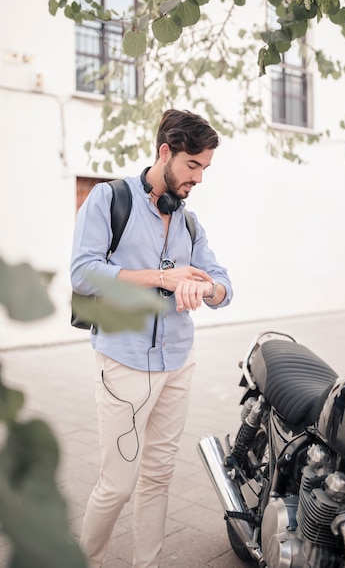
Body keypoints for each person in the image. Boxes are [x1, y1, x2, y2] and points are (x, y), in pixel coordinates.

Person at [70, 109, 233, 568]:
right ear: (165, 152)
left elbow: (223, 285)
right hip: (122, 362)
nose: (198, 178)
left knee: (158, 477)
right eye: (192, 165)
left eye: (204, 168)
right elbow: (83, 275)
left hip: (178, 362)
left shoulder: (189, 221)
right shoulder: (108, 199)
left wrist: (203, 287)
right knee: (117, 484)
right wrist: (162, 278)